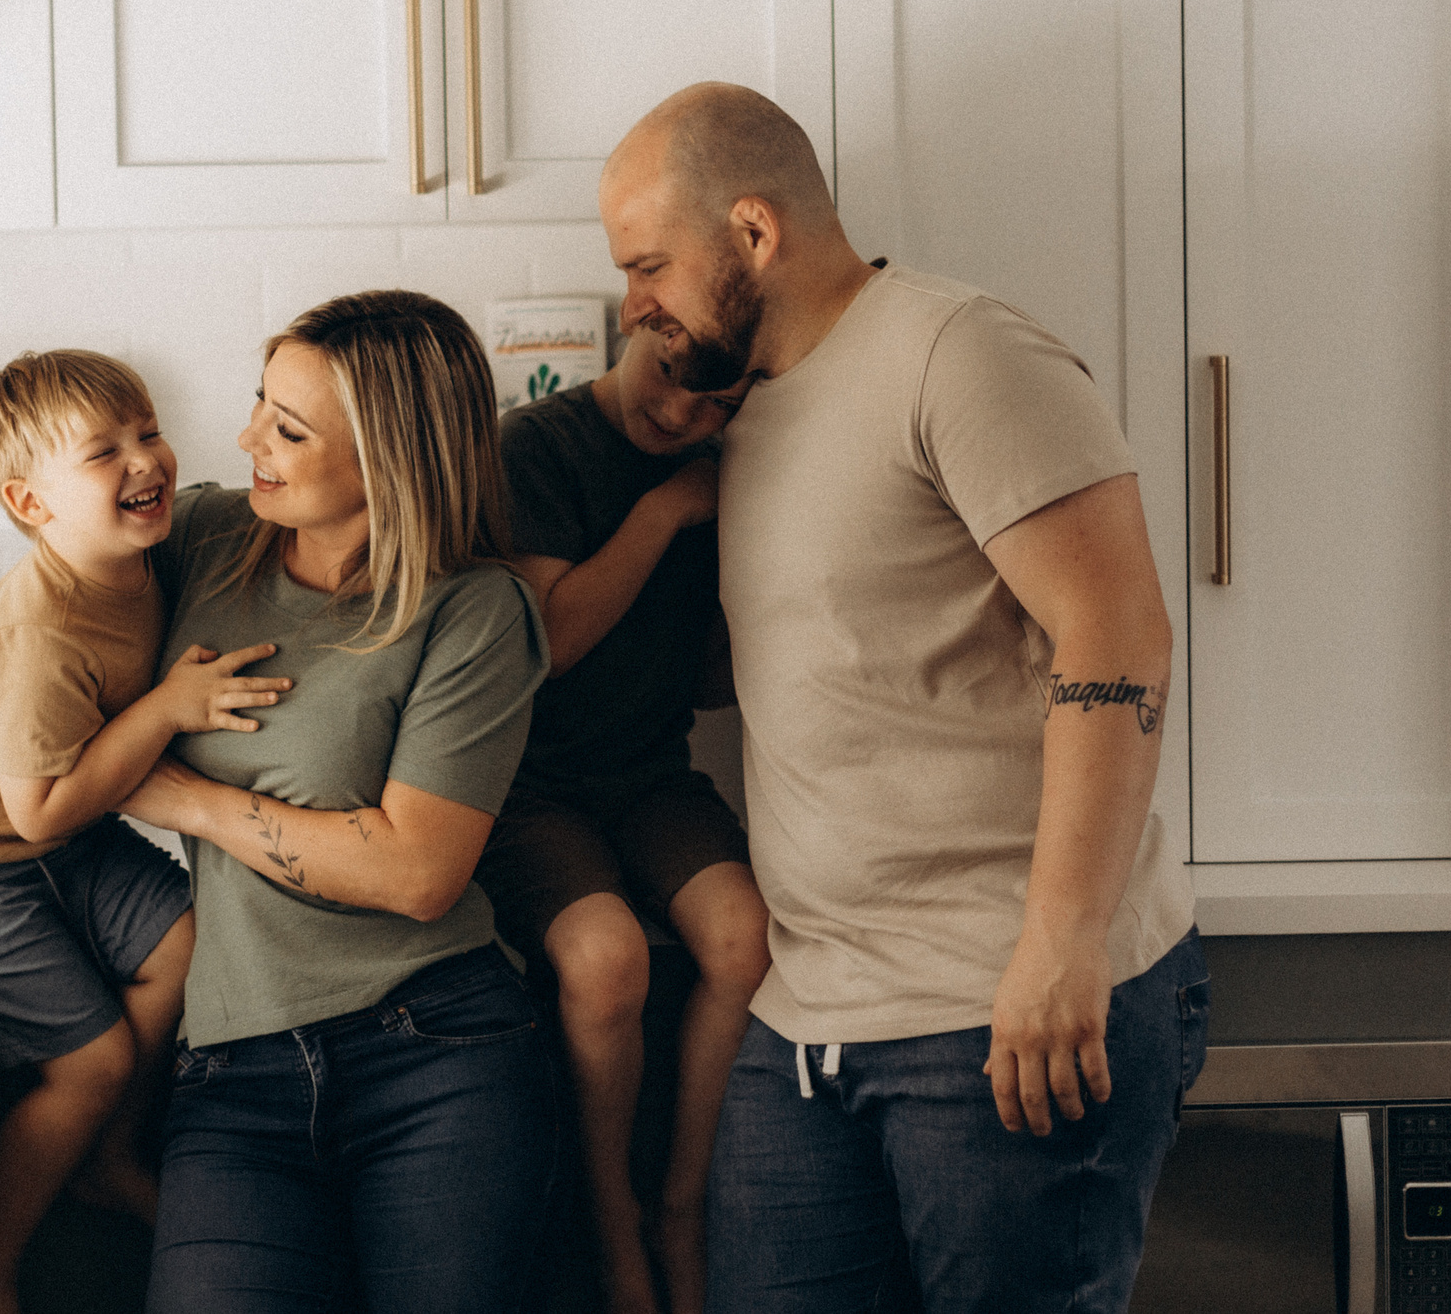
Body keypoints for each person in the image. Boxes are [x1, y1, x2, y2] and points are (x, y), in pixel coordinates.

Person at [597, 84, 1209, 1314]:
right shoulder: (749, 413)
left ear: (754, 234)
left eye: (650, 265)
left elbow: (1120, 634)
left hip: (996, 1007)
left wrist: (1060, 943)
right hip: (808, 1016)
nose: (635, 305)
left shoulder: (958, 352)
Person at [107, 290, 560, 1312]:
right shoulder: (205, 537)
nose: (245, 439)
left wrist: (188, 800)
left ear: (388, 460)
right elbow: (43, 606)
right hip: (231, 1071)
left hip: (438, 1056)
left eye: (289, 428)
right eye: (260, 405)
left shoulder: (474, 613)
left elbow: (415, 871)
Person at [0, 349, 290, 1314]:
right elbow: (39, 804)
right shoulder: (40, 628)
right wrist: (171, 706)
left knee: (192, 937)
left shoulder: (137, 556)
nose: (144, 459)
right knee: (92, 1063)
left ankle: (100, 1156)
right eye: (104, 450)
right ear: (32, 501)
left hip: (49, 845)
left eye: (146, 430)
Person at [476, 323, 770, 1314]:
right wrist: (667, 510)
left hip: (650, 776)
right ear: (637, 325)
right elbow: (549, 644)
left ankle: (683, 1207)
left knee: (745, 937)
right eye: (669, 379)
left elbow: (714, 683)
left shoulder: (724, 464)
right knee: (606, 962)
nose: (681, 414)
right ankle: (611, 1232)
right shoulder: (535, 447)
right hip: (526, 785)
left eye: (717, 406)